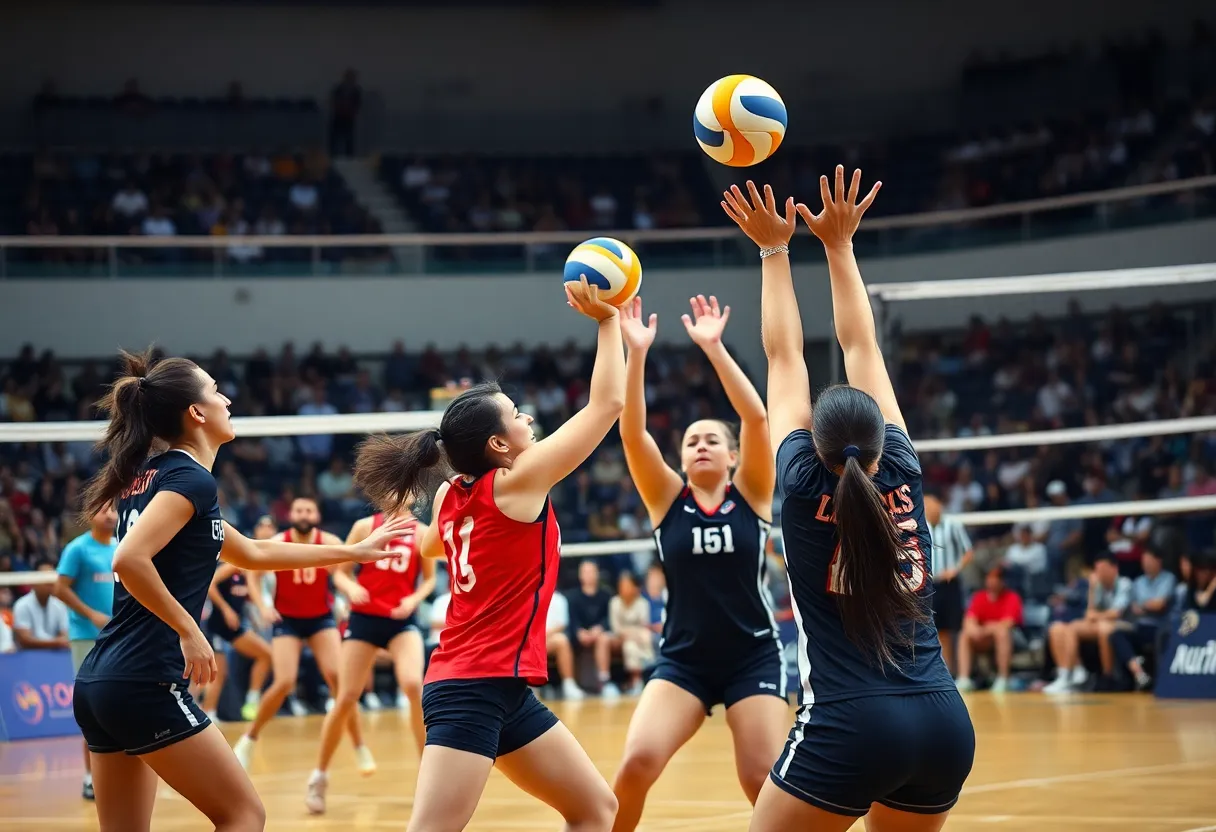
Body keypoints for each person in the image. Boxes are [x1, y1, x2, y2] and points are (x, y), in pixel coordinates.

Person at [721, 170, 974, 831]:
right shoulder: (904, 470)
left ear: (815, 445)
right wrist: (840, 245)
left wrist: (774, 252)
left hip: (853, 722)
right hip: (944, 719)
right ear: (883, 439)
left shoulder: (802, 485)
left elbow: (784, 358)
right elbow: (861, 346)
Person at [70, 349, 411, 832]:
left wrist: (354, 554)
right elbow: (129, 561)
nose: (226, 399)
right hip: (144, 680)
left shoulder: (154, 479)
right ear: (196, 413)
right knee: (244, 815)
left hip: (100, 683)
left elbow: (252, 552)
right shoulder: (189, 479)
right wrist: (189, 629)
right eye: (215, 390)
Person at [352, 276, 622, 832]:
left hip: (501, 686)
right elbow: (608, 403)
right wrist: (608, 320)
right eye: (518, 415)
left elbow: (430, 548)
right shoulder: (516, 482)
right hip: (470, 685)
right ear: (499, 446)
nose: (527, 419)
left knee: (595, 808)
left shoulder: (455, 492)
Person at [611, 293, 787, 832]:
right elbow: (632, 434)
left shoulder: (753, 492)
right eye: (691, 441)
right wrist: (636, 353)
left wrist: (713, 348)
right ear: (682, 458)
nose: (702, 446)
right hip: (683, 661)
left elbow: (756, 417)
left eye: (713, 440)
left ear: (732, 456)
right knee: (636, 763)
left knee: (763, 780)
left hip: (752, 657)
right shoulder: (667, 498)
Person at [306, 502, 436, 814]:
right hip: (364, 619)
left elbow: (430, 579)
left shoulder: (421, 533)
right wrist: (350, 587)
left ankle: (428, 777)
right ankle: (319, 777)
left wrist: (413, 599)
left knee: (413, 685)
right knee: (347, 695)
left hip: (400, 619)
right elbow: (341, 573)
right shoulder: (365, 526)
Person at [233, 496, 370, 772]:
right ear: (291, 514)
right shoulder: (279, 541)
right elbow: (252, 574)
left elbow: (347, 569)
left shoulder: (329, 541)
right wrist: (262, 606)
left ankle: (359, 745)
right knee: (284, 681)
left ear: (316, 515)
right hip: (288, 620)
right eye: (298, 510)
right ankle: (249, 738)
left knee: (338, 680)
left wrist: (347, 593)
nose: (304, 514)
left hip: (321, 618)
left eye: (309, 509)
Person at [54, 504, 119, 800]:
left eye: (113, 509)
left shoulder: (121, 546)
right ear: (90, 516)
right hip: (86, 638)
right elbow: (60, 588)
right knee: (91, 707)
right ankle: (90, 776)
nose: (110, 514)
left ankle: (118, 770)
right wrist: (91, 614)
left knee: (117, 704)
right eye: (102, 510)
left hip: (117, 637)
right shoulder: (77, 549)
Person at [1043, 553, 1132, 694]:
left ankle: (1108, 677)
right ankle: (1069, 673)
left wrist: (1096, 616)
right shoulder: (1097, 585)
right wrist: (1092, 590)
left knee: (1104, 629)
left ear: (1114, 568)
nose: (1099, 573)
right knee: (1060, 628)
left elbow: (1116, 613)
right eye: (1097, 570)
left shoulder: (1124, 583)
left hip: (1122, 625)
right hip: (1099, 623)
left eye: (1103, 569)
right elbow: (1089, 613)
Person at [198, 561, 272, 722]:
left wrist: (262, 615)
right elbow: (210, 585)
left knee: (266, 654)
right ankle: (207, 713)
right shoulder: (232, 567)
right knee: (217, 674)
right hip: (216, 626)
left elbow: (250, 600)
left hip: (234, 628)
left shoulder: (250, 578)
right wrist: (225, 609)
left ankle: (252, 699)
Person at [923, 491, 972, 678]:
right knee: (939, 629)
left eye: (931, 506)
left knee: (956, 628)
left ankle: (963, 675)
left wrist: (955, 569)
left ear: (939, 507)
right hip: (931, 585)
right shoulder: (923, 525)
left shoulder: (953, 524)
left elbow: (968, 552)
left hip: (950, 584)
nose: (928, 510)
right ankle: (946, 674)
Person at [956, 566, 1023, 692]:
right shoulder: (979, 597)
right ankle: (964, 678)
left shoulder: (1012, 597)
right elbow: (969, 620)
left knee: (1002, 633)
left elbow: (1008, 624)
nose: (991, 581)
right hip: (986, 638)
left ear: (1003, 581)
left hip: (1012, 638)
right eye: (989, 577)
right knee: (965, 635)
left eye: (996, 578)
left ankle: (1004, 679)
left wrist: (985, 629)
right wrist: (975, 630)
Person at [608, 571, 653, 694]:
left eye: (627, 585)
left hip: (639, 637)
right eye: (622, 585)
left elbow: (645, 625)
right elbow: (615, 628)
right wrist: (631, 633)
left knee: (642, 638)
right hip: (619, 638)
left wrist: (633, 634)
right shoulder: (614, 602)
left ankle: (646, 669)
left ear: (634, 587)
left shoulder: (643, 603)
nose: (624, 588)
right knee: (629, 645)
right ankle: (637, 679)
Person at [13, 563, 70, 650]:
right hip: (29, 656)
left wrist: (59, 642)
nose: (50, 582)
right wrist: (57, 642)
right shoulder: (22, 605)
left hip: (56, 656)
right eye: (45, 577)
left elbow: (65, 636)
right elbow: (24, 640)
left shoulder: (60, 605)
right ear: (34, 581)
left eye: (52, 577)